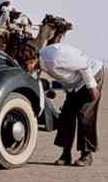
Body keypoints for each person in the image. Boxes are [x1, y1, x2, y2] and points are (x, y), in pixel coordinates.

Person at [23, 38, 106, 166]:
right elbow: (55, 75)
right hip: (73, 83)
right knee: (66, 116)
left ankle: (86, 155)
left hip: (92, 75)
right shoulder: (40, 63)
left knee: (85, 115)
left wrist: (91, 86)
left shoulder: (55, 57)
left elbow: (84, 65)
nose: (26, 69)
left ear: (33, 60)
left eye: (26, 65)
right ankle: (65, 154)